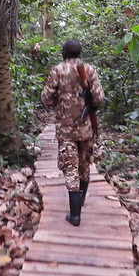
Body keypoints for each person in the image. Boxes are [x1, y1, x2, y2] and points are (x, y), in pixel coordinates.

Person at [40, 39, 105, 226]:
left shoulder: (57, 70)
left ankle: (75, 215)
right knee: (84, 165)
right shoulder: (89, 69)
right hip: (86, 129)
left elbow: (46, 98)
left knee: (70, 168)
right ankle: (80, 202)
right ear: (80, 52)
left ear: (63, 53)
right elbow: (99, 99)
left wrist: (60, 105)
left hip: (65, 129)